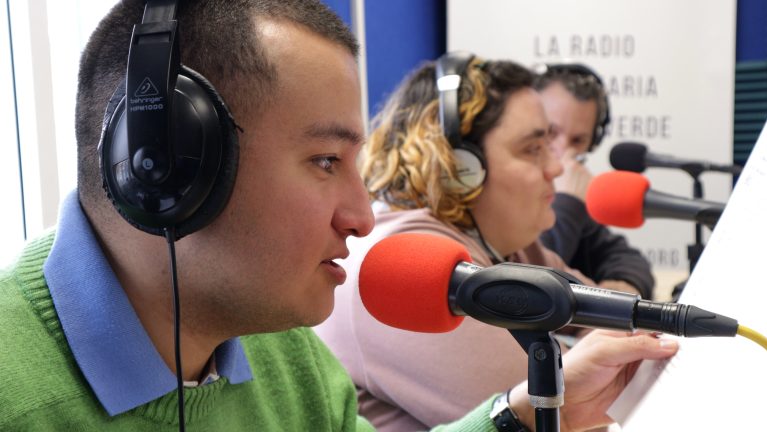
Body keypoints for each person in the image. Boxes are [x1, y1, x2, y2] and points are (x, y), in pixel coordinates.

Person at [0, 2, 677, 431]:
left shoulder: (281, 347)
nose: (362, 218)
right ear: (171, 168)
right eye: (326, 161)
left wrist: (518, 417)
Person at [315, 53, 669, 431]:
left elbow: (609, 324)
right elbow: (569, 412)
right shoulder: (412, 265)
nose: (557, 168)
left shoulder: (507, 243)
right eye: (532, 149)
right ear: (458, 167)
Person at [534, 64, 655, 299]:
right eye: (551, 132)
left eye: (578, 140)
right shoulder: (508, 189)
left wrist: (625, 283)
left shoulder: (572, 198)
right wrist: (568, 201)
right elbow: (529, 277)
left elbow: (625, 258)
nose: (563, 151)